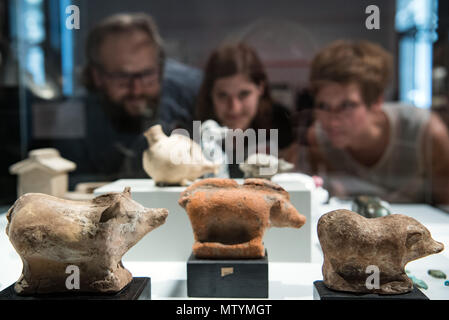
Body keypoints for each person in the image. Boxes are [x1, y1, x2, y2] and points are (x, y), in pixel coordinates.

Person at [58, 13, 202, 185]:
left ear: (161, 68)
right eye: (122, 77)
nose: (137, 89)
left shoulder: (192, 92)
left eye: (147, 74)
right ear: (97, 76)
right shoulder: (73, 117)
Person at [302, 40, 449, 204]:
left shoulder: (425, 133)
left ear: (376, 102)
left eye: (347, 105)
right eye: (323, 105)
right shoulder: (320, 138)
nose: (332, 122)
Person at [196, 42, 297, 178]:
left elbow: (290, 181)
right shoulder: (197, 129)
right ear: (210, 94)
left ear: (261, 87)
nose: (234, 108)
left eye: (244, 94)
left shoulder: (281, 122)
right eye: (223, 95)